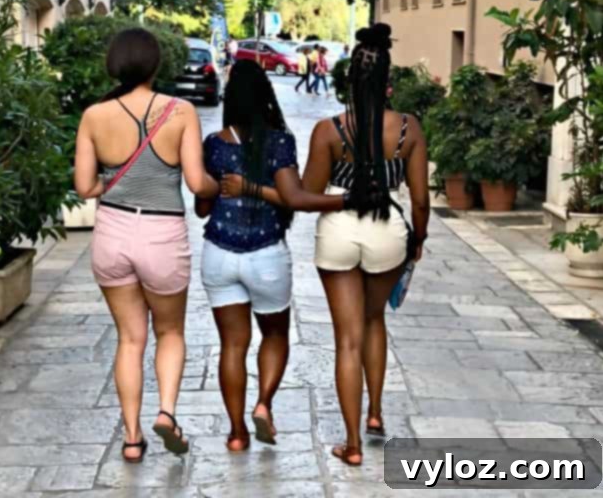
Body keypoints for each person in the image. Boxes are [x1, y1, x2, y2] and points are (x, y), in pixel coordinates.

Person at [75, 28, 219, 463]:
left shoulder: (94, 116)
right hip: (162, 235)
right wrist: (218, 185)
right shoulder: (180, 112)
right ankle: (166, 413)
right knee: (170, 331)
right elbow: (196, 182)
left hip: (113, 233)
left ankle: (132, 438)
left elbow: (85, 186)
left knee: (130, 338)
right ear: (157, 65)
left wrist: (115, 182)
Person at [197, 60, 356, 451]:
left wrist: (229, 188)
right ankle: (264, 403)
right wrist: (348, 201)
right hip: (266, 254)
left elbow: (202, 208)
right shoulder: (279, 142)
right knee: (275, 333)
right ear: (266, 97)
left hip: (218, 253)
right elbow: (293, 197)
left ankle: (236, 434)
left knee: (232, 345)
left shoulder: (214, 144)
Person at [297, 24, 429, 468]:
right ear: (389, 82)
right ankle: (375, 414)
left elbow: (307, 194)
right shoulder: (408, 128)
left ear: (348, 82)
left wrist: (343, 195)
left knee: (346, 340)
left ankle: (351, 444)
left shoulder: (328, 131)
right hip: (387, 231)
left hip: (337, 230)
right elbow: (421, 198)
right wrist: (419, 239)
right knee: (375, 321)